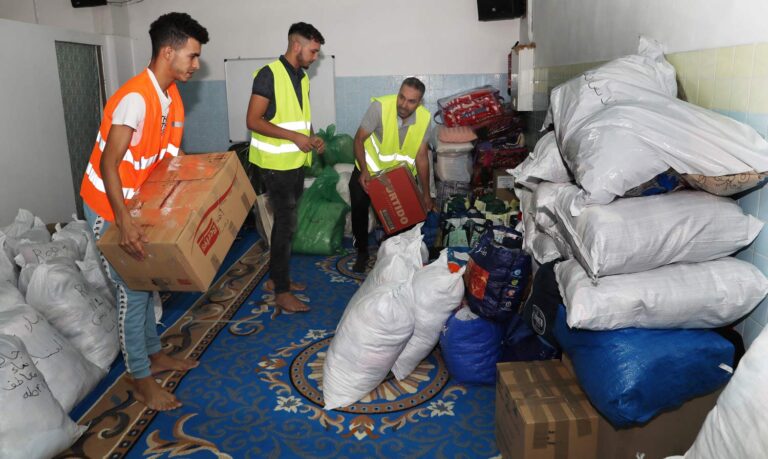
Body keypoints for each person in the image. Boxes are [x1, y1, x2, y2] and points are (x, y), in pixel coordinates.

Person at [79, 12, 209, 411]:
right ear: (167, 52)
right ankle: (139, 378)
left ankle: (153, 356)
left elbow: (169, 159)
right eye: (192, 55)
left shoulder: (171, 98)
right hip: (108, 204)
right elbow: (109, 163)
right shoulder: (136, 97)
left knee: (147, 283)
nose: (196, 63)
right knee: (132, 292)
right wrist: (123, 222)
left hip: (137, 203)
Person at [246, 22, 326, 313]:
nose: (315, 57)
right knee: (286, 225)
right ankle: (281, 291)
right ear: (297, 46)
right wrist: (295, 137)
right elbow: (253, 120)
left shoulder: (301, 77)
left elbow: (298, 118)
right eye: (313, 51)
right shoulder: (269, 75)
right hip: (273, 166)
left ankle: (277, 279)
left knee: (284, 226)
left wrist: (312, 135)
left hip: (294, 163)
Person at [349, 78, 434, 273]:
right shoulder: (380, 107)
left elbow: (422, 157)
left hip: (399, 176)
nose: (404, 104)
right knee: (359, 207)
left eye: (411, 101)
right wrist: (363, 170)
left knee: (401, 217)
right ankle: (362, 253)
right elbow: (359, 139)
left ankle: (392, 256)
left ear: (419, 102)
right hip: (368, 169)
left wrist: (426, 194)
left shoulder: (424, 118)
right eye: (401, 97)